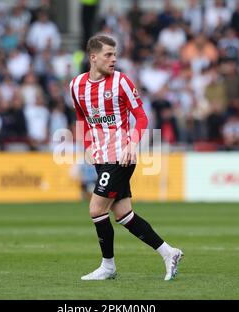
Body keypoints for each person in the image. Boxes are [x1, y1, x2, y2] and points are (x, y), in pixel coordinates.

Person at [69, 35, 183, 281]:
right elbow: (82, 118)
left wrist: (132, 144)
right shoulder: (76, 86)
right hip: (100, 156)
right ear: (93, 57)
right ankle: (169, 252)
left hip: (121, 155)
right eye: (108, 55)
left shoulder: (121, 82)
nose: (114, 59)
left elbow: (141, 117)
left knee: (96, 208)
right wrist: (87, 145)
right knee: (123, 214)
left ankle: (108, 267)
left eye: (115, 54)